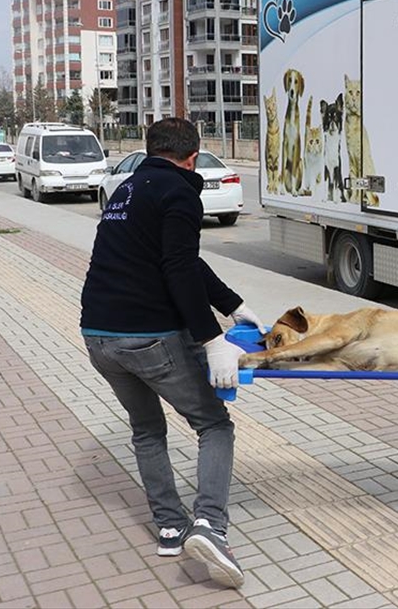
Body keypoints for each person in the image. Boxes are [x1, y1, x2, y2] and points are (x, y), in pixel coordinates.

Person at [80, 117, 264, 589]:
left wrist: (233, 305)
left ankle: (169, 527)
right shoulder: (180, 191)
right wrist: (212, 339)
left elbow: (181, 259)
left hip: (98, 336)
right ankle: (210, 527)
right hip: (148, 337)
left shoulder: (126, 189)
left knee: (146, 428)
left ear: (149, 150)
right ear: (191, 157)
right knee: (214, 425)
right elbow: (178, 265)